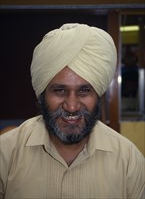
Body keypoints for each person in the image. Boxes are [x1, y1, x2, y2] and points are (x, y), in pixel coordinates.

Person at [0, 23, 144, 199]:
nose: (72, 106)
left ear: (97, 95)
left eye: (84, 91)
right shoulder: (6, 153)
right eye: (60, 90)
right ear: (42, 95)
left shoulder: (128, 160)